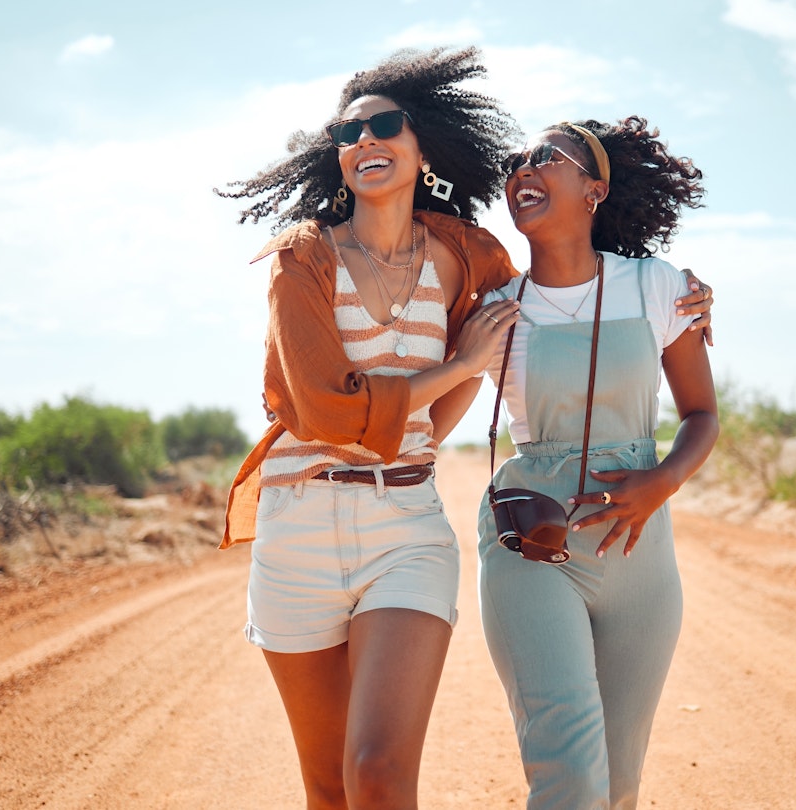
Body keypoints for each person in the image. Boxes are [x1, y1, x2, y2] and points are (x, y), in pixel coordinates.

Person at [215, 47, 714, 808]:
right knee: (341, 784)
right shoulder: (339, 268)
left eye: (386, 125)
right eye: (347, 134)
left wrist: (689, 306)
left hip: (486, 528)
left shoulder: (488, 261)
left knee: (583, 779)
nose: (364, 142)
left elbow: (667, 383)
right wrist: (451, 375)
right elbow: (346, 404)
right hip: (376, 524)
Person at [476, 117, 719, 810]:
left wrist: (662, 481)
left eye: (547, 157)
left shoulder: (657, 288)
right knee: (570, 778)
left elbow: (702, 416)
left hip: (641, 558)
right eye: (516, 162)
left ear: (594, 189)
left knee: (617, 787)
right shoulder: (496, 310)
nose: (524, 169)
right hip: (534, 547)